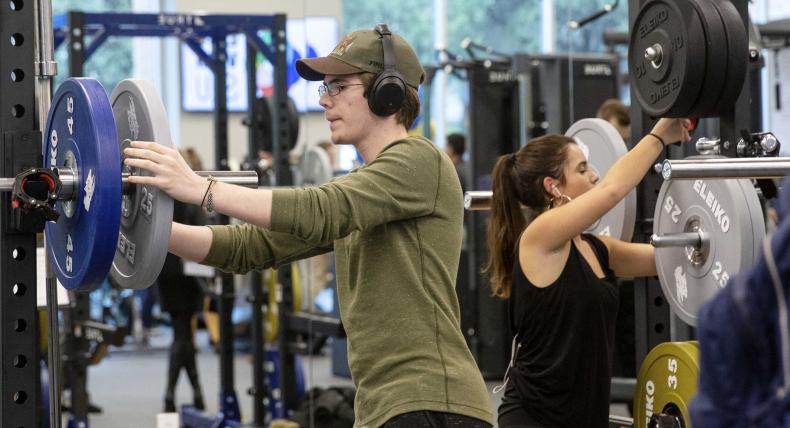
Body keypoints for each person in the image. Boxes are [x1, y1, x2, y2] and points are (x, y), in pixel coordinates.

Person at [124, 24, 494, 428]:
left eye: (338, 87)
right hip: (385, 408)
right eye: (325, 89)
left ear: (385, 91)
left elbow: (321, 208)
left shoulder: (419, 161)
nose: (323, 100)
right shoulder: (364, 188)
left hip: (432, 402)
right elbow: (251, 247)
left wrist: (199, 188)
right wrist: (140, 232)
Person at [484, 118, 691, 428]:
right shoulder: (539, 238)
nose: (594, 176)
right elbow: (612, 190)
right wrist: (659, 136)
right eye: (581, 169)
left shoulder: (597, 249)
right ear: (551, 187)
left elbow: (674, 259)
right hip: (534, 419)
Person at [159, 148, 207, 412]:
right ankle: (169, 396)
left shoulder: (166, 190)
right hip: (185, 273)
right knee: (182, 337)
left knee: (184, 337)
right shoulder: (189, 192)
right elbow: (200, 231)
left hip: (166, 267)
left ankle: (194, 395)